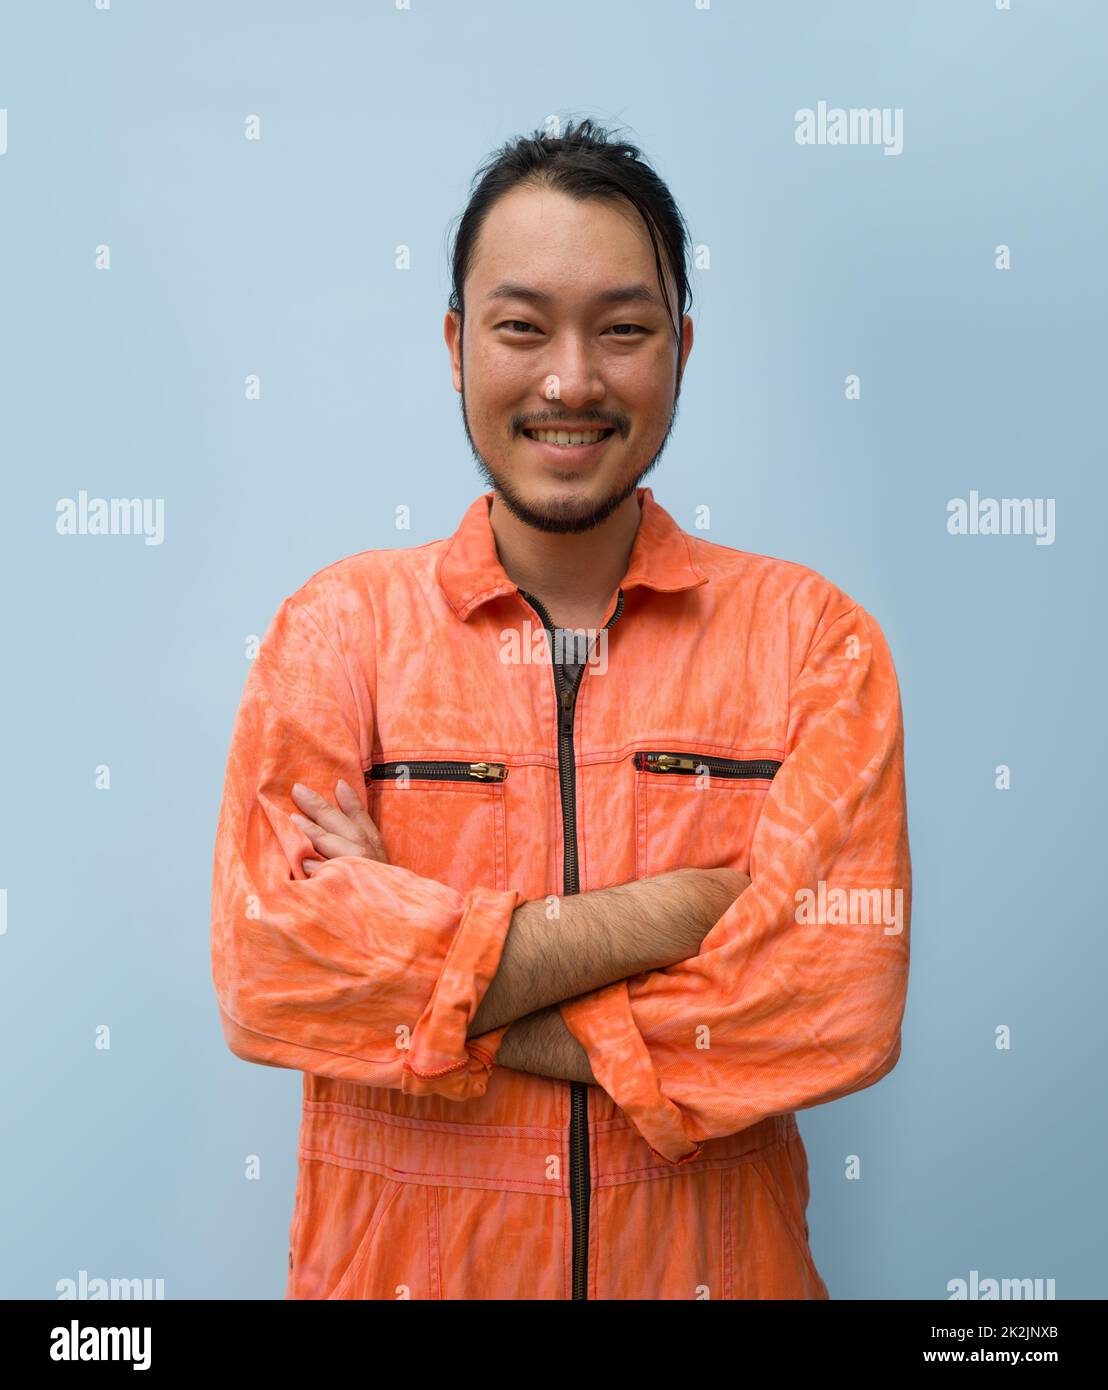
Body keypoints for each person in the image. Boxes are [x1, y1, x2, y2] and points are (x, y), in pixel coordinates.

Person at [210, 118, 911, 1300]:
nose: (570, 379)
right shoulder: (336, 631)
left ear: (680, 348)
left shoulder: (814, 643)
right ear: (456, 344)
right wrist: (667, 915)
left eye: (623, 329)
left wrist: (423, 980)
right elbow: (274, 969)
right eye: (522, 326)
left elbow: (830, 1008)